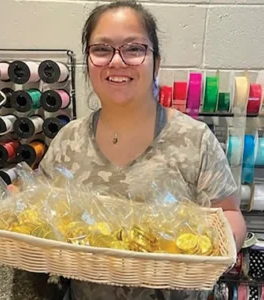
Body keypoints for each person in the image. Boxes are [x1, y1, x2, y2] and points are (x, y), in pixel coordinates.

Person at [39, 1, 247, 299]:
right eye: (102, 49)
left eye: (134, 49)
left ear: (156, 63)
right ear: (88, 62)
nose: (117, 61)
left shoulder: (194, 139)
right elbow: (42, 210)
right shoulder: (68, 140)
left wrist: (216, 254)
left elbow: (228, 213)